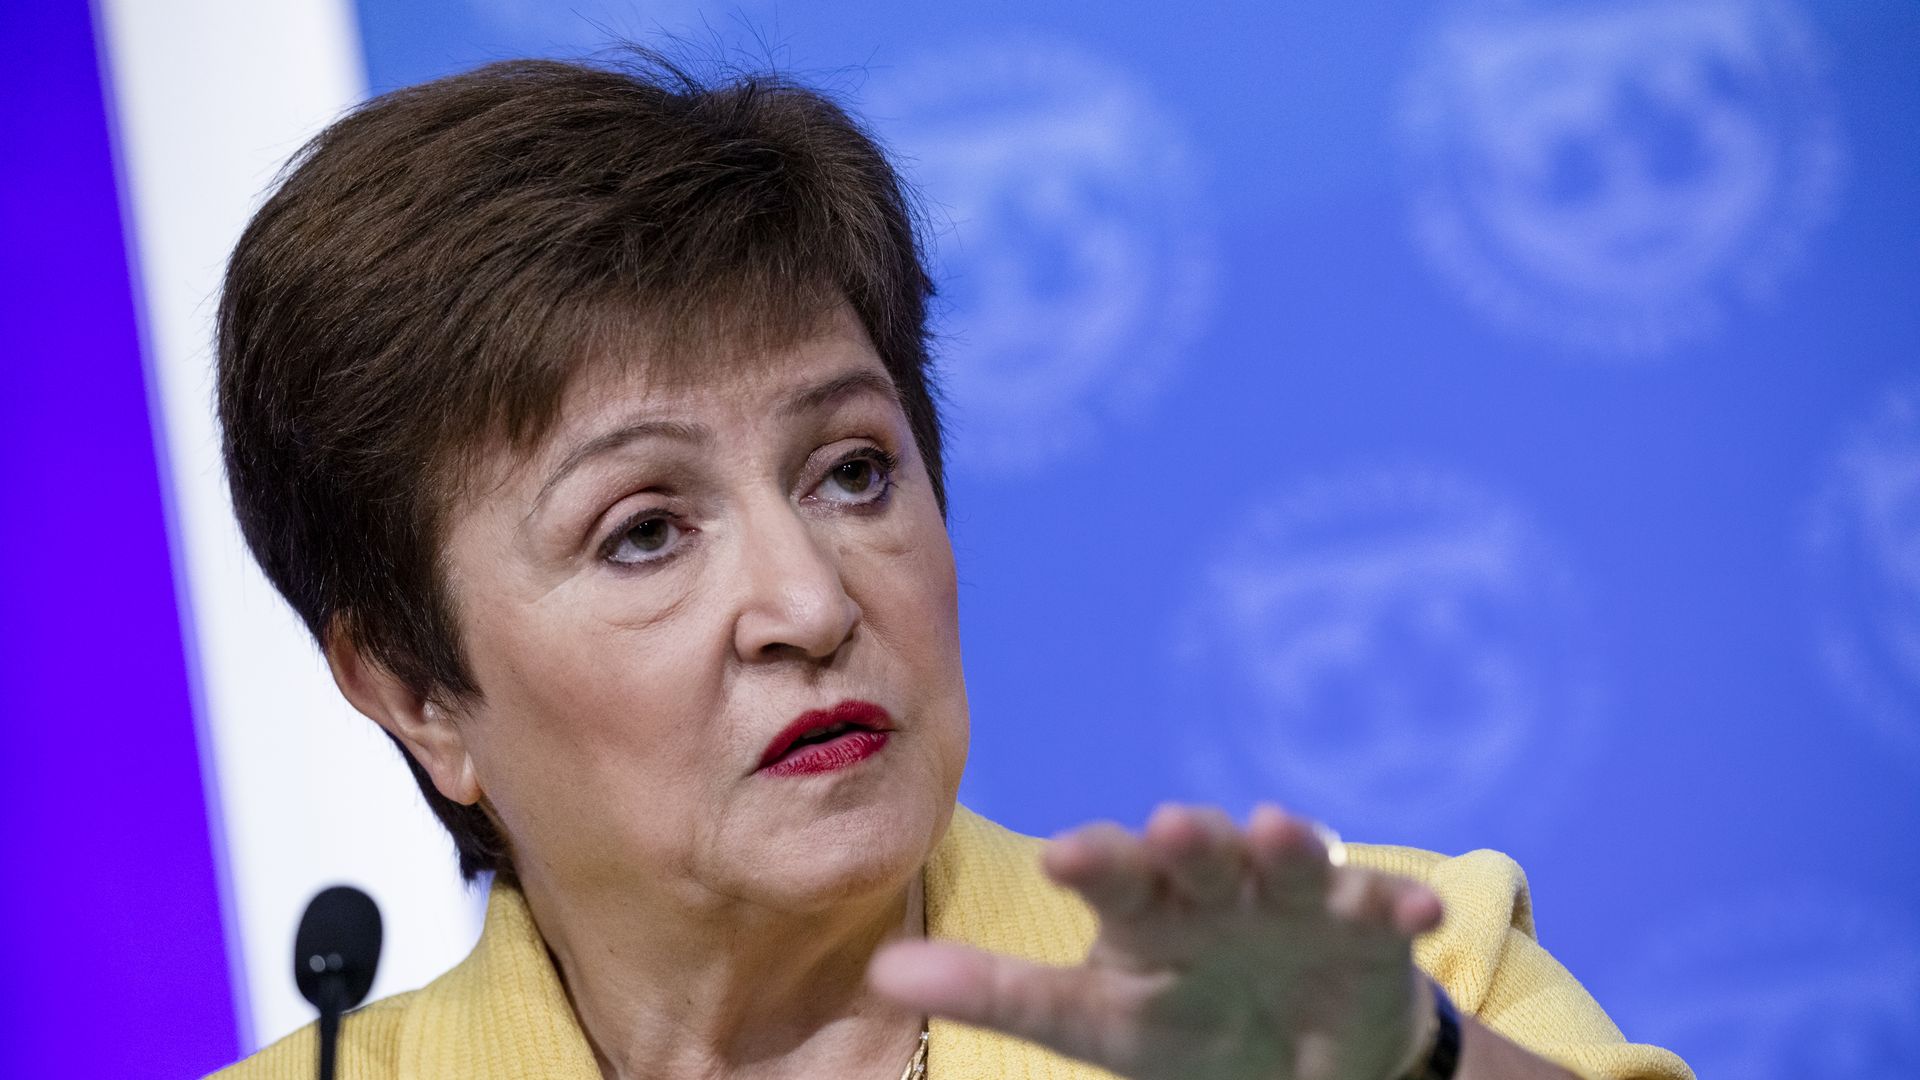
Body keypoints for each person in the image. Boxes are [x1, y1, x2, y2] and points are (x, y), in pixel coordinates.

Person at [208, 52, 1692, 1080]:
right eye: (644, 530)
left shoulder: (1396, 992)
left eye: (853, 473)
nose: (809, 603)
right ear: (414, 690)